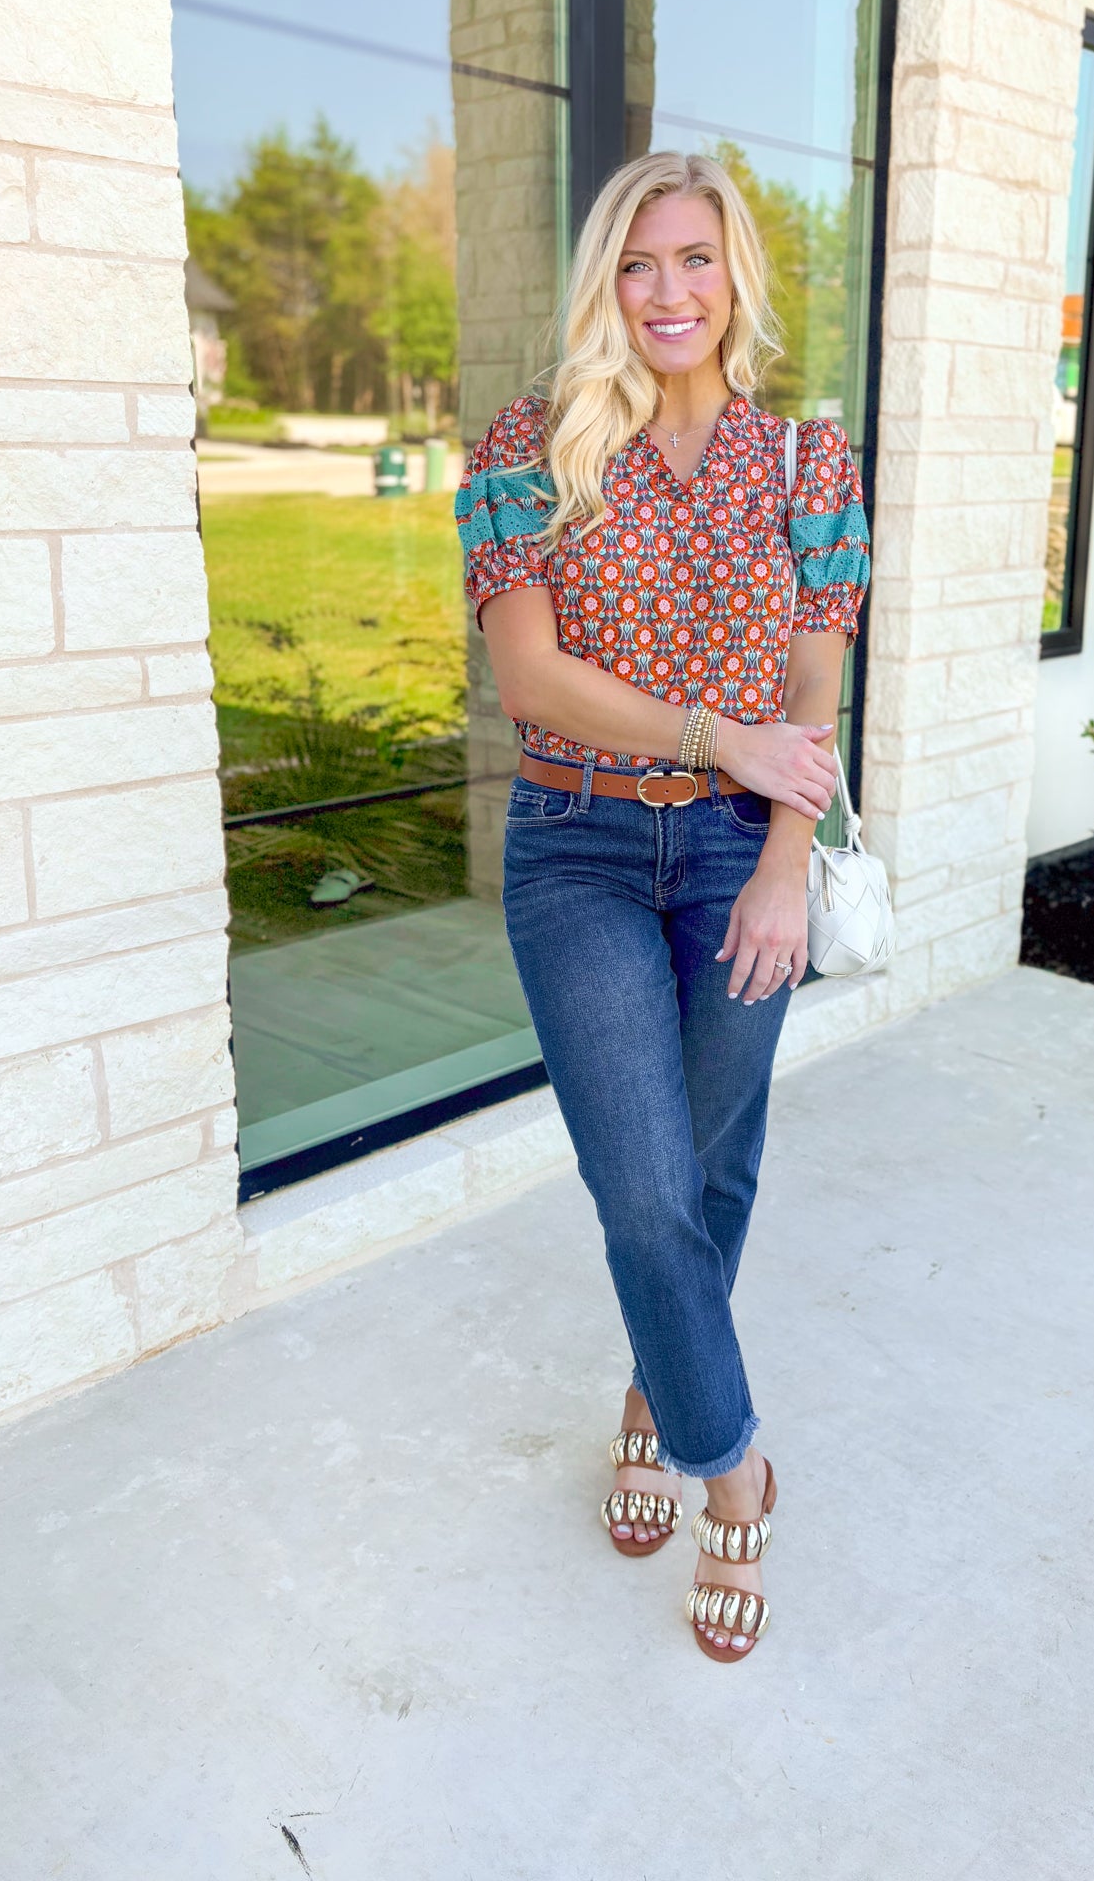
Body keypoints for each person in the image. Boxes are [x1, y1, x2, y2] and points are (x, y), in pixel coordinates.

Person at [453, 151, 870, 1663]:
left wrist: (780, 859)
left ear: (735, 275)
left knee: (708, 1170)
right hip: (573, 846)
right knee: (642, 1187)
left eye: (694, 260)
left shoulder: (806, 465)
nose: (667, 294)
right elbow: (531, 680)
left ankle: (651, 1405)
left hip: (735, 856)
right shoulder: (528, 445)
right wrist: (715, 739)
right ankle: (737, 1474)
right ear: (602, 285)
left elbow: (814, 677)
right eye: (637, 266)